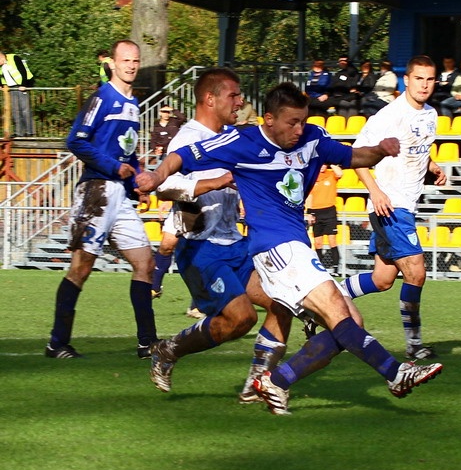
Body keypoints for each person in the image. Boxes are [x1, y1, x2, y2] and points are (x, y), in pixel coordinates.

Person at [136, 81, 442, 415]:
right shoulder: (241, 141)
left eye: (302, 121)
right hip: (273, 248)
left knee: (351, 320)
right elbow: (181, 157)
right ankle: (395, 373)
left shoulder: (313, 137)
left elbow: (355, 156)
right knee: (249, 318)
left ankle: (275, 381)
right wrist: (155, 177)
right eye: (291, 123)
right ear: (268, 119)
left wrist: (382, 149)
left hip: (287, 245)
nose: (299, 129)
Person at [140, 68, 297, 401]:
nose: (240, 102)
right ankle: (169, 349)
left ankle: (257, 386)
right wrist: (216, 182)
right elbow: (164, 187)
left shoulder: (232, 138)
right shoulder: (187, 138)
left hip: (234, 243)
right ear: (210, 99)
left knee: (284, 304)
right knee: (241, 319)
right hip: (200, 248)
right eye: (234, 96)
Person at [45, 40, 158, 359]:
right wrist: (113, 166)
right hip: (96, 190)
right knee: (81, 268)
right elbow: (75, 141)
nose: (131, 65)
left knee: (145, 263)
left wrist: (139, 179)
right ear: (112, 62)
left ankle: (147, 342)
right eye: (125, 60)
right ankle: (57, 343)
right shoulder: (102, 97)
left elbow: (129, 151)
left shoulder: (134, 103)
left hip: (120, 194)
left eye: (136, 60)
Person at [341, 56, 448, 360]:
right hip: (391, 204)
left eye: (430, 79)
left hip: (405, 205)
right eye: (419, 79)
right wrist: (375, 191)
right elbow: (355, 156)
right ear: (407, 81)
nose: (425, 85)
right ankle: (414, 344)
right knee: (416, 273)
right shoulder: (389, 116)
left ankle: (333, 295)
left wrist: (433, 165)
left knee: (382, 279)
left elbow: (419, 148)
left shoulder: (431, 115)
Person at [307, 164, 343, 272]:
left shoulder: (331, 175)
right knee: (318, 243)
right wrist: (309, 213)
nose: (322, 166)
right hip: (316, 212)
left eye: (324, 164)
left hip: (329, 211)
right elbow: (310, 196)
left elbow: (340, 173)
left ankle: (336, 267)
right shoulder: (313, 177)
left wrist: (331, 162)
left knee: (332, 240)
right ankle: (320, 267)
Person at [0, 50, 36, 137]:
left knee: (25, 110)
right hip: (12, 88)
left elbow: (23, 71)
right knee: (16, 111)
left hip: (21, 87)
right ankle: (19, 132)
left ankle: (30, 132)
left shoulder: (14, 58)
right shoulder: (0, 67)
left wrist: (24, 84)